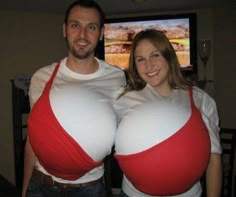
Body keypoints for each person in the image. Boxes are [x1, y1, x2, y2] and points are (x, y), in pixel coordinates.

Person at [22, 0, 126, 196]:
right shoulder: (41, 78)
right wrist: (25, 190)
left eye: (91, 27)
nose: (82, 35)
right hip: (41, 186)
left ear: (102, 33)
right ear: (64, 29)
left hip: (90, 189)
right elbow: (33, 140)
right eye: (75, 25)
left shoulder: (117, 78)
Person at [114, 29, 222, 197]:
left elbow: (214, 157)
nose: (149, 66)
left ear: (169, 56)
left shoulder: (200, 99)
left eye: (155, 55)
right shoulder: (122, 98)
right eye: (140, 59)